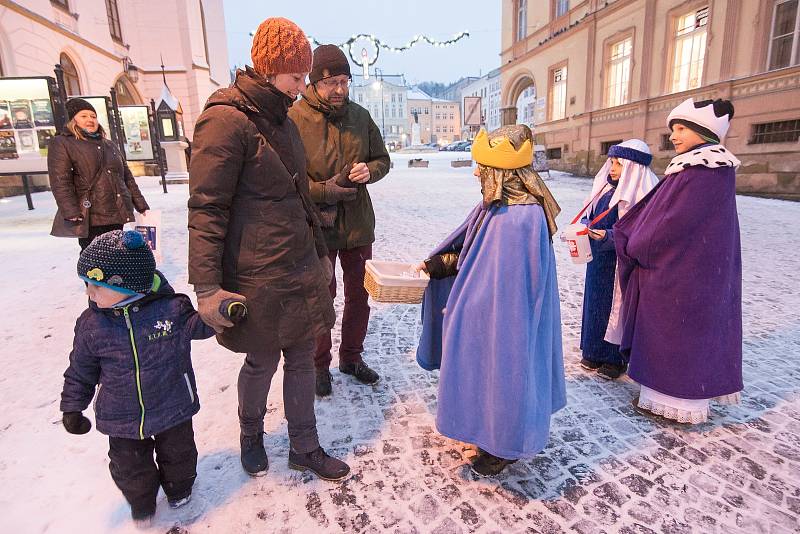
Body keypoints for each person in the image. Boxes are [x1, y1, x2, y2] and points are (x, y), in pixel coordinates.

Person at [187, 17, 349, 480]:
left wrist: (319, 253)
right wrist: (208, 286)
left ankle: (305, 445)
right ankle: (251, 434)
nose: (302, 87)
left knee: (301, 355)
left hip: (297, 264)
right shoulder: (224, 121)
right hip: (255, 273)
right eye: (296, 76)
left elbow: (299, 194)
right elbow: (206, 208)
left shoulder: (284, 120)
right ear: (269, 67)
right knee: (262, 359)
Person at [415, 125, 566, 477]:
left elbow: (508, 285)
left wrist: (471, 305)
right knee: (489, 372)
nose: (477, 172)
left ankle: (504, 444)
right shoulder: (500, 203)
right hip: (487, 312)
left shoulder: (521, 217)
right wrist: (444, 263)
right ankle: (488, 432)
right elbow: (473, 249)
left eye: (484, 166)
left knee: (507, 371)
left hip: (507, 319)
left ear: (504, 171)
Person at [60, 230, 215, 528]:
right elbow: (80, 371)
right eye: (87, 285)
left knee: (180, 455)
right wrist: (72, 407)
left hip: (173, 405)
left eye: (96, 286)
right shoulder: (91, 325)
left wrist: (220, 314)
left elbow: (201, 327)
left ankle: (180, 490)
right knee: (130, 468)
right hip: (122, 418)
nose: (89, 294)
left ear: (128, 284)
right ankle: (142, 502)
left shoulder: (171, 309)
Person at [614, 98, 743, 424]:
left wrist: (636, 242)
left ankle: (676, 402)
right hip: (690, 268)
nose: (674, 135)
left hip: (681, 273)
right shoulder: (702, 168)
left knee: (674, 335)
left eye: (682, 128)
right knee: (679, 335)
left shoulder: (701, 171)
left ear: (704, 130)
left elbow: (671, 221)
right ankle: (665, 397)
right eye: (673, 128)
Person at [288, 44, 391, 397]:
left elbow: (383, 159)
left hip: (358, 224)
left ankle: (351, 357)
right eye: (332, 82)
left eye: (345, 81)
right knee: (321, 295)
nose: (340, 89)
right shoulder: (294, 120)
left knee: (360, 295)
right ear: (314, 83)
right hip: (317, 224)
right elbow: (288, 177)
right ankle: (319, 365)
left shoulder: (360, 117)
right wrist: (323, 190)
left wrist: (370, 170)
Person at [578, 139, 658, 379]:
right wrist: (584, 227)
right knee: (595, 305)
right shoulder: (605, 190)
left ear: (633, 169)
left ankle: (614, 358)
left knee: (617, 309)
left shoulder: (641, 197)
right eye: (611, 162)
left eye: (619, 164)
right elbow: (590, 214)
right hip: (598, 262)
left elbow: (640, 232)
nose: (612, 168)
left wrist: (609, 236)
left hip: (621, 265)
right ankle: (592, 350)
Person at [49, 98, 149, 250]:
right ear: (72, 119)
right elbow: (60, 180)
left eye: (93, 116)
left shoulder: (108, 144)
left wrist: (140, 203)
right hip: (91, 214)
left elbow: (126, 177)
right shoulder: (63, 143)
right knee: (95, 259)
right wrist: (70, 210)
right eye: (84, 116)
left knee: (115, 255)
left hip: (116, 209)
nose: (90, 120)